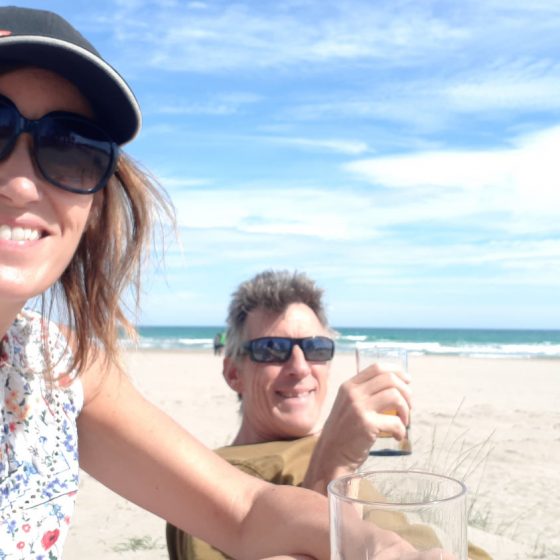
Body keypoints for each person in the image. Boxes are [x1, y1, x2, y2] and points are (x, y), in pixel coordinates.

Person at [0, 6, 451, 560]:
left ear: (93, 204)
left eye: (70, 148)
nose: (22, 183)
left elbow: (244, 511)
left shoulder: (58, 367)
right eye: (270, 349)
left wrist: (378, 547)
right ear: (232, 370)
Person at [166, 270, 491, 560]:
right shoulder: (207, 479)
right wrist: (332, 467)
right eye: (271, 349)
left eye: (316, 348)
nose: (300, 367)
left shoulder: (334, 443)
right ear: (234, 373)